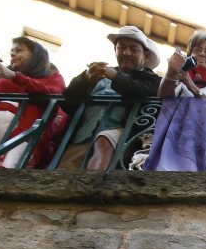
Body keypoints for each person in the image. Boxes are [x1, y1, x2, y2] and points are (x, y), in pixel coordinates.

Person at [59, 26, 160, 170]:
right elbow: (67, 102)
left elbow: (147, 91)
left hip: (123, 138)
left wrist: (116, 77)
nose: (126, 53)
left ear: (146, 56)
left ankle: (92, 189)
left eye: (134, 49)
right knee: (64, 172)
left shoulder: (151, 79)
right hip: (83, 136)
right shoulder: (98, 76)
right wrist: (85, 79)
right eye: (121, 47)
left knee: (103, 142)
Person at [0, 37, 64, 168]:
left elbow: (54, 93)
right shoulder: (2, 74)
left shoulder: (52, 77)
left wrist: (15, 77)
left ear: (35, 55)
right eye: (12, 51)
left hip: (26, 130)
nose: (13, 54)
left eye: (19, 50)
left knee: (8, 169)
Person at [158, 31, 206, 99]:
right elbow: (163, 102)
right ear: (189, 55)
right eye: (197, 50)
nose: (202, 54)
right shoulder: (177, 76)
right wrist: (172, 72)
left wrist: (189, 82)